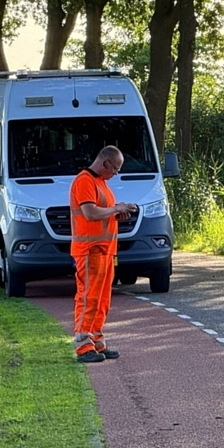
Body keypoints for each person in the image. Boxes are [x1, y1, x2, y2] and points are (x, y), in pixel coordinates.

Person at [69, 145, 136, 364]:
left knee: (102, 300)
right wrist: (116, 209)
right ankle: (83, 344)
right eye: (115, 169)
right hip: (90, 250)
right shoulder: (85, 181)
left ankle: (96, 340)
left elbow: (103, 213)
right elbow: (90, 212)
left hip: (104, 250)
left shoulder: (101, 184)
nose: (115, 174)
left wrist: (116, 212)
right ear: (104, 162)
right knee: (89, 297)